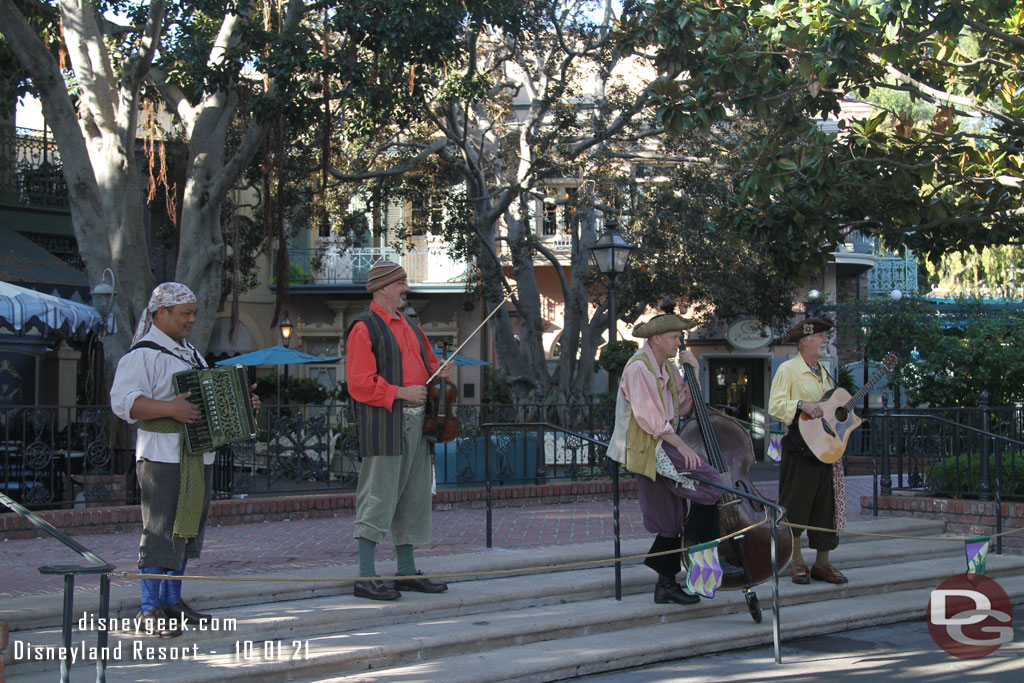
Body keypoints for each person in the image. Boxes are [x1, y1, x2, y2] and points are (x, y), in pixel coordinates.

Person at [110, 282, 261, 638]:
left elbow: (206, 399)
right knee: (160, 527)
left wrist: (244, 404)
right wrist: (169, 408)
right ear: (161, 313)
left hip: (196, 454)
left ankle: (173, 602)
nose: (192, 319)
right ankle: (149, 609)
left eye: (193, 313)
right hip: (162, 453)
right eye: (185, 313)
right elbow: (124, 403)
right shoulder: (141, 355)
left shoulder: (191, 353)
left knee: (187, 527)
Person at [606, 313, 742, 606]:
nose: (679, 342)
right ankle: (704, 561)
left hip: (657, 444)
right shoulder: (638, 368)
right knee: (710, 483)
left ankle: (665, 585)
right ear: (656, 338)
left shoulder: (666, 366)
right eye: (674, 337)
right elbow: (651, 420)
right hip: (648, 447)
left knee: (670, 520)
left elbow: (681, 406)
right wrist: (683, 447)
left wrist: (691, 373)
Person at [345, 260, 453, 600]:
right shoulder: (363, 327)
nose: (406, 288)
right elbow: (358, 383)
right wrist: (400, 392)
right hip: (385, 424)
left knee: (414, 496)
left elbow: (428, 365)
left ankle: (406, 572)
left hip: (420, 422)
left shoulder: (409, 324)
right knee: (378, 495)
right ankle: (365, 575)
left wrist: (441, 368)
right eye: (400, 282)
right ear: (382, 288)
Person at [768, 317, 849, 585]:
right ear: (805, 341)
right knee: (796, 503)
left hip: (825, 448)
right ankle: (796, 560)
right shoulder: (788, 370)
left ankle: (823, 563)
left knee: (826, 505)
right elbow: (776, 405)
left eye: (825, 336)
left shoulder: (823, 372)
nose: (826, 340)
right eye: (822, 336)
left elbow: (829, 410)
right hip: (799, 447)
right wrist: (801, 404)